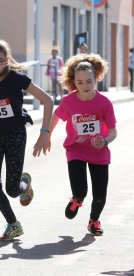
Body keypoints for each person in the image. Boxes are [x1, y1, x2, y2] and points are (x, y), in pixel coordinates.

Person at [0, 39, 54, 241]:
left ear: (6, 60)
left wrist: (44, 133)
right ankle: (13, 224)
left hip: (15, 134)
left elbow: (48, 100)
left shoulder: (16, 78)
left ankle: (25, 183)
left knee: (12, 190)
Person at [47, 53, 117, 236]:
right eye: (80, 82)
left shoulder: (104, 103)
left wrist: (104, 141)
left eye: (89, 81)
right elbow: (56, 116)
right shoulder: (69, 101)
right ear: (74, 82)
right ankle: (76, 200)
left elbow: (112, 131)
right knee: (81, 190)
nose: (85, 86)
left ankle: (94, 221)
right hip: (76, 150)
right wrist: (46, 135)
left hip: (99, 152)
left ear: (97, 79)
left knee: (100, 196)